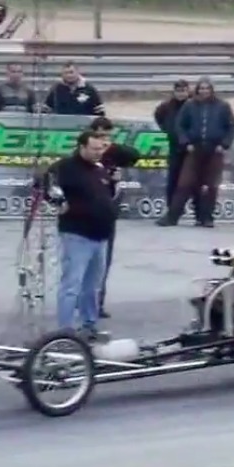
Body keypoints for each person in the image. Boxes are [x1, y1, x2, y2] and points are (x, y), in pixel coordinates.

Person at [53, 130, 116, 337]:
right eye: (94, 149)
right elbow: (43, 182)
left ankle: (89, 325)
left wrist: (114, 182)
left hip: (101, 235)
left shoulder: (100, 169)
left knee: (92, 286)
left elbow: (106, 194)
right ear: (82, 147)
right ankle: (65, 330)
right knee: (72, 284)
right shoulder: (66, 167)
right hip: (77, 234)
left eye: (101, 148)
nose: (99, 153)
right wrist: (58, 201)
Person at [156, 76, 234, 228]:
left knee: (210, 186)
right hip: (194, 150)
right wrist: (186, 143)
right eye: (201, 88)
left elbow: (231, 127)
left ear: (212, 90)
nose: (204, 91)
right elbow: (180, 125)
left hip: (214, 150)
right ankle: (172, 216)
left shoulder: (223, 106)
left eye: (207, 88)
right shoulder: (190, 105)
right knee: (184, 184)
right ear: (197, 90)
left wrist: (224, 144)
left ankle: (206, 218)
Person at [89, 116, 141, 319]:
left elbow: (134, 155)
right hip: (87, 210)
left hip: (108, 209)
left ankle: (98, 302)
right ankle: (83, 300)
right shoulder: (85, 153)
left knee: (104, 259)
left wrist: (113, 147)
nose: (103, 141)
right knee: (84, 259)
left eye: (107, 136)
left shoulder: (113, 152)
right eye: (100, 136)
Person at [153, 79, 201, 222]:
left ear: (188, 91)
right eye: (178, 91)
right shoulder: (166, 106)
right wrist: (167, 130)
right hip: (175, 147)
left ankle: (199, 213)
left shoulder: (194, 105)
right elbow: (158, 116)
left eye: (184, 91)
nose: (181, 94)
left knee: (194, 181)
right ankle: (171, 212)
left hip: (192, 148)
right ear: (174, 92)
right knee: (173, 180)